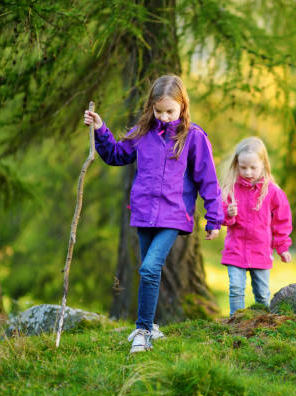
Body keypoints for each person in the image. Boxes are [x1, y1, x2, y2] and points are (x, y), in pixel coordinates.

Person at [83, 75, 223, 353]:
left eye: (170, 111)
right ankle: (150, 326)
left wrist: (214, 217)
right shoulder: (143, 133)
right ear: (151, 107)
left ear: (183, 106)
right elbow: (115, 155)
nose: (165, 117)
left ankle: (143, 330)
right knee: (150, 271)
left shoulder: (193, 137)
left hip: (173, 215)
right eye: (159, 111)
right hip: (144, 212)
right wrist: (100, 129)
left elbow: (208, 179)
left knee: (149, 267)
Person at [219, 137, 292, 316]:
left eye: (253, 167)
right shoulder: (230, 189)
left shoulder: (273, 192)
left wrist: (282, 247)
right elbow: (219, 216)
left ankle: (264, 323)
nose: (248, 172)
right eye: (243, 167)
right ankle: (236, 323)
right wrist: (228, 213)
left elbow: (281, 221)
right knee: (236, 288)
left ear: (264, 165)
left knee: (262, 293)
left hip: (260, 251)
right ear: (236, 165)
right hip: (236, 250)